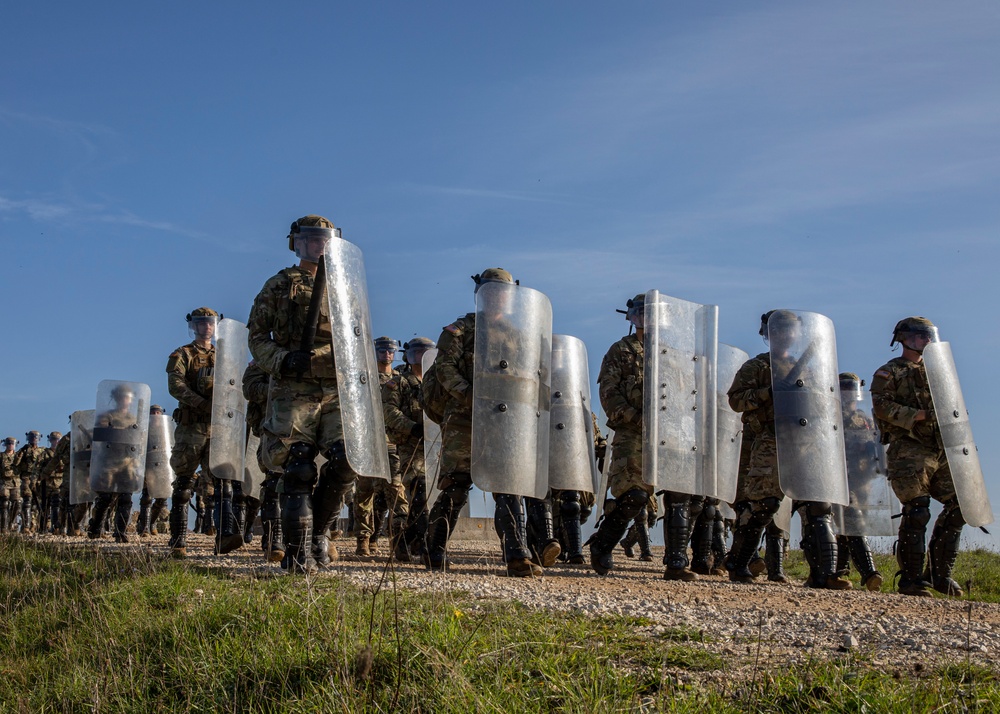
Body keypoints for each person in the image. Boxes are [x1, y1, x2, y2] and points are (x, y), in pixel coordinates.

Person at [248, 215, 374, 574]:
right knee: (298, 466)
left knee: (348, 459)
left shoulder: (344, 288)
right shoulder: (279, 285)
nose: (319, 246)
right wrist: (284, 359)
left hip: (337, 387)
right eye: (311, 240)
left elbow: (358, 337)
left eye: (325, 240)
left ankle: (319, 534)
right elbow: (256, 339)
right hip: (294, 386)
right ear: (297, 244)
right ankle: (297, 553)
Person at [423, 268, 550, 577]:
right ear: (482, 294)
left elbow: (529, 375)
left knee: (509, 485)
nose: (498, 298)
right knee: (456, 485)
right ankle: (434, 551)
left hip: (504, 419)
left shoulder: (518, 335)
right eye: (492, 292)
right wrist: (469, 397)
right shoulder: (461, 330)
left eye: (503, 293)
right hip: (464, 417)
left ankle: (517, 555)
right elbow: (445, 368)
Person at [726, 310, 851, 589]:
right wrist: (767, 393)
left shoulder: (808, 368)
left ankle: (824, 573)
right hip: (770, 441)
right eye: (780, 330)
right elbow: (736, 400)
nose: (786, 335)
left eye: (790, 330)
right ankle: (739, 563)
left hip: (805, 442)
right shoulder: (757, 366)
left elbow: (824, 403)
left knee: (818, 505)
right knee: (765, 506)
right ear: (769, 335)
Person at [871, 317, 968, 597]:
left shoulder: (938, 373)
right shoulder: (889, 372)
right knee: (917, 509)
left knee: (960, 505)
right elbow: (881, 407)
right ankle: (911, 580)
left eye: (928, 336)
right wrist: (919, 415)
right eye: (919, 336)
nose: (925, 341)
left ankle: (939, 575)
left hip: (940, 449)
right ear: (904, 339)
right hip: (909, 449)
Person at [166, 307, 219, 557]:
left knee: (219, 482)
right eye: (201, 323)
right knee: (184, 482)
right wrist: (201, 403)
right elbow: (175, 386)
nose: (206, 327)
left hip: (217, 426)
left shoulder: (223, 356)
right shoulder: (183, 354)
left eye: (210, 323)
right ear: (194, 326)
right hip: (191, 426)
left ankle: (222, 537)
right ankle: (178, 541)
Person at [354, 336, 408, 558]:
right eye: (382, 350)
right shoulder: (365, 377)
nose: (387, 354)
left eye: (390, 350)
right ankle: (363, 540)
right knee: (364, 493)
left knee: (396, 491)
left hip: (392, 442)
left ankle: (398, 540)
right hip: (367, 442)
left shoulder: (400, 379)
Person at [383, 337, 435, 561]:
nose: (421, 357)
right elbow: (389, 411)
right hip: (409, 447)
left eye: (426, 353)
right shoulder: (399, 384)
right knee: (419, 491)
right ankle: (424, 545)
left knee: (423, 498)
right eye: (417, 353)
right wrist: (412, 428)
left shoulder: (436, 384)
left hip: (434, 448)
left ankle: (406, 540)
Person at [834, 372, 884, 591]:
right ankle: (869, 572)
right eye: (844, 389)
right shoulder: (831, 414)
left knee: (849, 526)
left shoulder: (864, 419)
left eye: (851, 389)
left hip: (861, 479)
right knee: (853, 522)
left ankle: (839, 573)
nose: (849, 394)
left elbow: (876, 440)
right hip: (838, 477)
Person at [87, 383, 145, 542]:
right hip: (109, 461)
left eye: (127, 397)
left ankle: (120, 532)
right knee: (105, 496)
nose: (125, 400)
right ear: (116, 398)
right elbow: (100, 434)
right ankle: (96, 527)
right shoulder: (107, 416)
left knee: (126, 497)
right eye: (122, 397)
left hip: (128, 462)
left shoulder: (134, 419)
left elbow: (139, 440)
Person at [13, 430, 49, 533]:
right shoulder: (24, 451)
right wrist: (21, 452)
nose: (34, 439)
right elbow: (16, 462)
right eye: (32, 437)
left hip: (38, 479)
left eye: (36, 437)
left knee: (36, 503)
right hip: (26, 478)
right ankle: (26, 526)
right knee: (27, 502)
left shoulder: (42, 451)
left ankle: (36, 526)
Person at [40, 431, 69, 533]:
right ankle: (43, 527)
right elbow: (37, 468)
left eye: (57, 440)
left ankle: (56, 527)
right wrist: (38, 479)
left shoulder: (64, 450)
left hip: (59, 481)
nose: (55, 442)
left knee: (57, 504)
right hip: (47, 482)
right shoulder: (44, 454)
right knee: (45, 506)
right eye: (53, 440)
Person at [0, 437, 18, 532]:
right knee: (4, 503)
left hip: (16, 482)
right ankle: (3, 527)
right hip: (4, 483)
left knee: (17, 503)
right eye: (9, 443)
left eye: (12, 443)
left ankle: (11, 523)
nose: (11, 445)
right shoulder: (2, 456)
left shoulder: (18, 456)